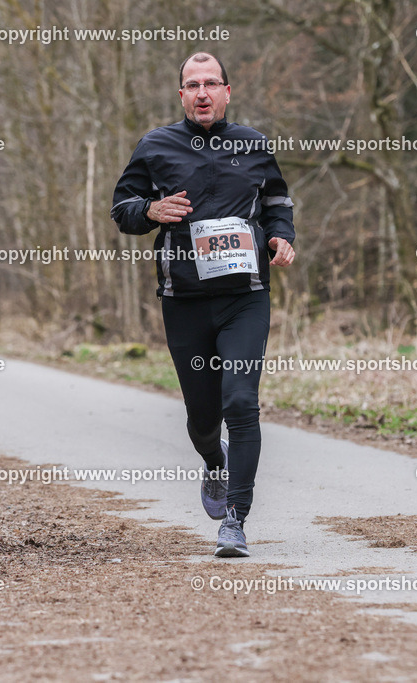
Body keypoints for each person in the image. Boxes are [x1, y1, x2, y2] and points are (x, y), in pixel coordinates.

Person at [111, 52, 296, 557]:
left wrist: (281, 237)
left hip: (245, 297)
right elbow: (122, 208)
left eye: (211, 83)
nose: (202, 92)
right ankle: (214, 462)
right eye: (192, 85)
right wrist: (150, 209)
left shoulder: (254, 145)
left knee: (241, 402)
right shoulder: (156, 146)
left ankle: (235, 520)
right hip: (185, 299)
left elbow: (277, 200)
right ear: (182, 96)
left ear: (227, 92)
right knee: (202, 416)